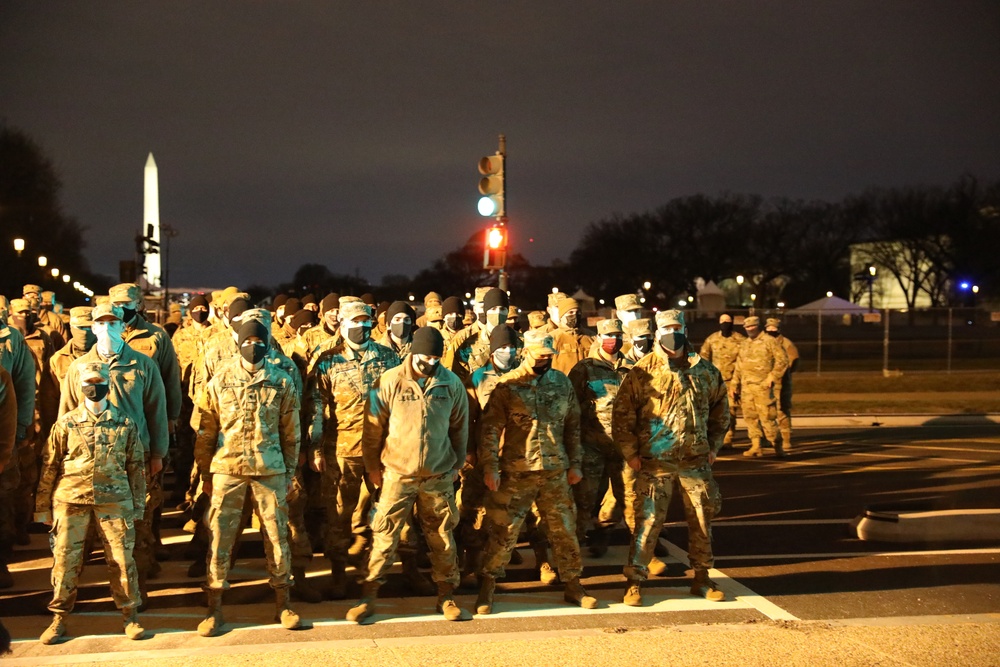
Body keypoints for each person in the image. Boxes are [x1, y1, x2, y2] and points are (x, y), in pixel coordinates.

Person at [346, 327, 470, 623]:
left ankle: (446, 597)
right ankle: (369, 596)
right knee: (385, 535)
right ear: (414, 352)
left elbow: (460, 427)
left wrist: (457, 464)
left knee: (441, 537)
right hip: (397, 474)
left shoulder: (449, 383)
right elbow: (373, 428)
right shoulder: (389, 382)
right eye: (427, 355)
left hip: (437, 474)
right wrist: (373, 468)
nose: (432, 361)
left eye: (437, 357)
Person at [612, 309, 730, 606]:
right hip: (656, 461)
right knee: (647, 522)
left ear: (685, 329)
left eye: (677, 327)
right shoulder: (642, 371)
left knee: (703, 521)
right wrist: (631, 455)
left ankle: (702, 577)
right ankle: (635, 581)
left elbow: (721, 412)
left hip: (695, 461)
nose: (672, 333)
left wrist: (713, 446)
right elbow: (622, 418)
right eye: (666, 328)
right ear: (657, 331)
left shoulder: (705, 370)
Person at [193, 318, 302, 636]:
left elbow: (291, 433)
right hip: (228, 470)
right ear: (238, 343)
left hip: (270, 470)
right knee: (220, 540)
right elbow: (206, 431)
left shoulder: (281, 381)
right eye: (247, 340)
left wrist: (291, 473)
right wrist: (204, 474)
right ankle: (214, 608)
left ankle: (283, 603)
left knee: (278, 539)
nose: (252, 346)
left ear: (267, 344)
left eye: (259, 340)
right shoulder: (220, 381)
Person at [476, 330, 597, 614]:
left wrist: (575, 463)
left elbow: (573, 426)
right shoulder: (508, 386)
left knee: (565, 530)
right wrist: (490, 467)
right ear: (526, 352)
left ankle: (573, 584)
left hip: (555, 470)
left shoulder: (560, 382)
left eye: (547, 356)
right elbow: (491, 430)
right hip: (517, 471)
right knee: (504, 532)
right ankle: (488, 586)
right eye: (539, 355)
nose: (544, 360)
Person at [59, 302, 169, 606]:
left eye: (113, 322)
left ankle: (137, 591)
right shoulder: (78, 368)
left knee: (137, 529)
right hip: (88, 461)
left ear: (123, 326)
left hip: (133, 460)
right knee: (80, 536)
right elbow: (65, 413)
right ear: (93, 328)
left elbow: (156, 411)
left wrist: (157, 453)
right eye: (101, 323)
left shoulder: (143, 365)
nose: (107, 328)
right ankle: (71, 599)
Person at [35, 361, 147, 643]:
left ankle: (130, 616)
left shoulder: (124, 423)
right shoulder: (66, 423)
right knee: (65, 560)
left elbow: (135, 466)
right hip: (71, 499)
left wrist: (137, 506)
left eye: (99, 382)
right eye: (88, 382)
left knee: (122, 560)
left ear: (108, 385)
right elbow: (50, 464)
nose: (93, 387)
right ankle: (59, 618)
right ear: (79, 386)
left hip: (115, 501)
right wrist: (42, 507)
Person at [308, 301, 400, 599]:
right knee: (338, 514)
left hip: (382, 451)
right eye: (355, 322)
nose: (362, 327)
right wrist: (315, 449)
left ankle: (371, 575)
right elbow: (316, 407)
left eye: (366, 322)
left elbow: (399, 401)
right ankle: (338, 575)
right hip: (341, 451)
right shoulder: (327, 361)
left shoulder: (387, 357)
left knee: (382, 512)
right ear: (342, 324)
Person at [568, 318, 630, 557]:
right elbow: (569, 405)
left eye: (616, 335)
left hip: (624, 448)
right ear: (598, 338)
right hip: (591, 446)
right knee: (584, 499)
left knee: (628, 500)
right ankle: (571, 550)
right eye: (607, 335)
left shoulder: (633, 368)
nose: (612, 340)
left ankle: (642, 549)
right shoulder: (584, 368)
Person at [732, 316, 789, 457]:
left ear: (758, 326)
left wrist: (773, 376)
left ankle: (777, 446)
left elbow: (782, 360)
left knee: (767, 417)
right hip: (747, 387)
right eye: (747, 327)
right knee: (750, 417)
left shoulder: (770, 341)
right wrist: (734, 384)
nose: (750, 329)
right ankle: (756, 445)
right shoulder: (745, 344)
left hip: (763, 387)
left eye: (752, 327)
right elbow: (739, 366)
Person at [699, 314, 746, 448]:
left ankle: (728, 436)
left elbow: (744, 359)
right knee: (715, 410)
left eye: (728, 321)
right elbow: (704, 357)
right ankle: (717, 436)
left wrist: (738, 381)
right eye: (723, 321)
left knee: (730, 410)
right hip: (716, 381)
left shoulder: (740, 339)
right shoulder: (712, 339)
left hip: (734, 380)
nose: (725, 323)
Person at [764, 318, 799, 451]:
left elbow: (794, 360)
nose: (771, 330)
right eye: (769, 328)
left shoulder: (786, 343)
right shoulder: (762, 342)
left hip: (781, 383)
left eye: (774, 328)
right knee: (766, 412)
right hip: (766, 384)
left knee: (782, 410)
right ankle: (769, 438)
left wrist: (783, 374)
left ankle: (786, 439)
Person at [550, 297, 595, 375]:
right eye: (570, 312)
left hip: (589, 385)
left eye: (578, 312)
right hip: (563, 385)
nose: (575, 316)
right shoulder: (552, 338)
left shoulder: (592, 337)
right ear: (561, 315)